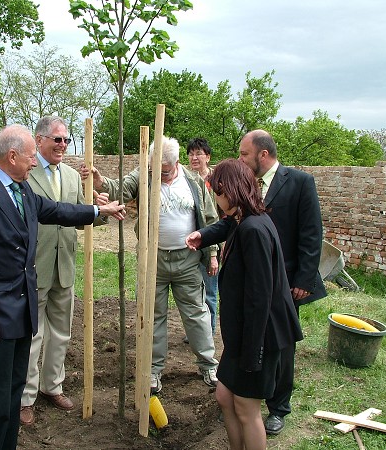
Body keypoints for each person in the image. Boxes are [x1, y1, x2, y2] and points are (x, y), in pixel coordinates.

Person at [0, 124, 125, 450]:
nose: (34, 163)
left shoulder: (23, 189)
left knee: (12, 395)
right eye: (30, 157)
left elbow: (57, 211)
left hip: (21, 313)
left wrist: (100, 210)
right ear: (11, 156)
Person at [81, 136, 219, 394]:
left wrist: (211, 253)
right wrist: (99, 180)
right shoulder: (144, 173)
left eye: (165, 171)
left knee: (197, 313)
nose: (160, 175)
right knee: (153, 317)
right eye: (156, 170)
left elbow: (210, 220)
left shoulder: (193, 181)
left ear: (176, 163)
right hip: (152, 259)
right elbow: (120, 189)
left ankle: (208, 365)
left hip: (187, 260)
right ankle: (153, 371)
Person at [185, 158, 303, 450]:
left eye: (217, 191)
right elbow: (225, 226)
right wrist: (203, 235)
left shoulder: (253, 230)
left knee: (247, 408)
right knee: (225, 396)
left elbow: (260, 297)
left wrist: (252, 353)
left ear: (231, 190)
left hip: (262, 336)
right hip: (246, 335)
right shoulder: (242, 220)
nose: (215, 198)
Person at [238, 129, 327, 435]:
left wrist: (304, 278)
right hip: (254, 279)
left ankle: (278, 407)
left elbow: (312, 234)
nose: (241, 159)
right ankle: (251, 395)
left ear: (263, 154)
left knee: (282, 344)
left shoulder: (300, 182)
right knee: (253, 336)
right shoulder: (248, 183)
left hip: (288, 282)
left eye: (244, 154)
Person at [20, 116, 106, 425]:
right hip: (33, 266)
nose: (62, 145)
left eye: (66, 140)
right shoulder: (25, 175)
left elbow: (80, 215)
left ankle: (51, 387)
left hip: (64, 266)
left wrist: (100, 209)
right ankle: (25, 398)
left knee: (61, 332)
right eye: (57, 139)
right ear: (39, 140)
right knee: (32, 334)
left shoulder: (71, 176)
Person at [186, 137, 219, 335]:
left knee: (210, 292)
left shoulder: (216, 181)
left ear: (208, 157)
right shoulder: (185, 180)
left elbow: (217, 217)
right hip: (193, 244)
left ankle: (209, 331)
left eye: (198, 153)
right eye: (191, 154)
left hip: (212, 243)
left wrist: (215, 251)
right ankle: (196, 333)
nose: (194, 157)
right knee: (193, 293)